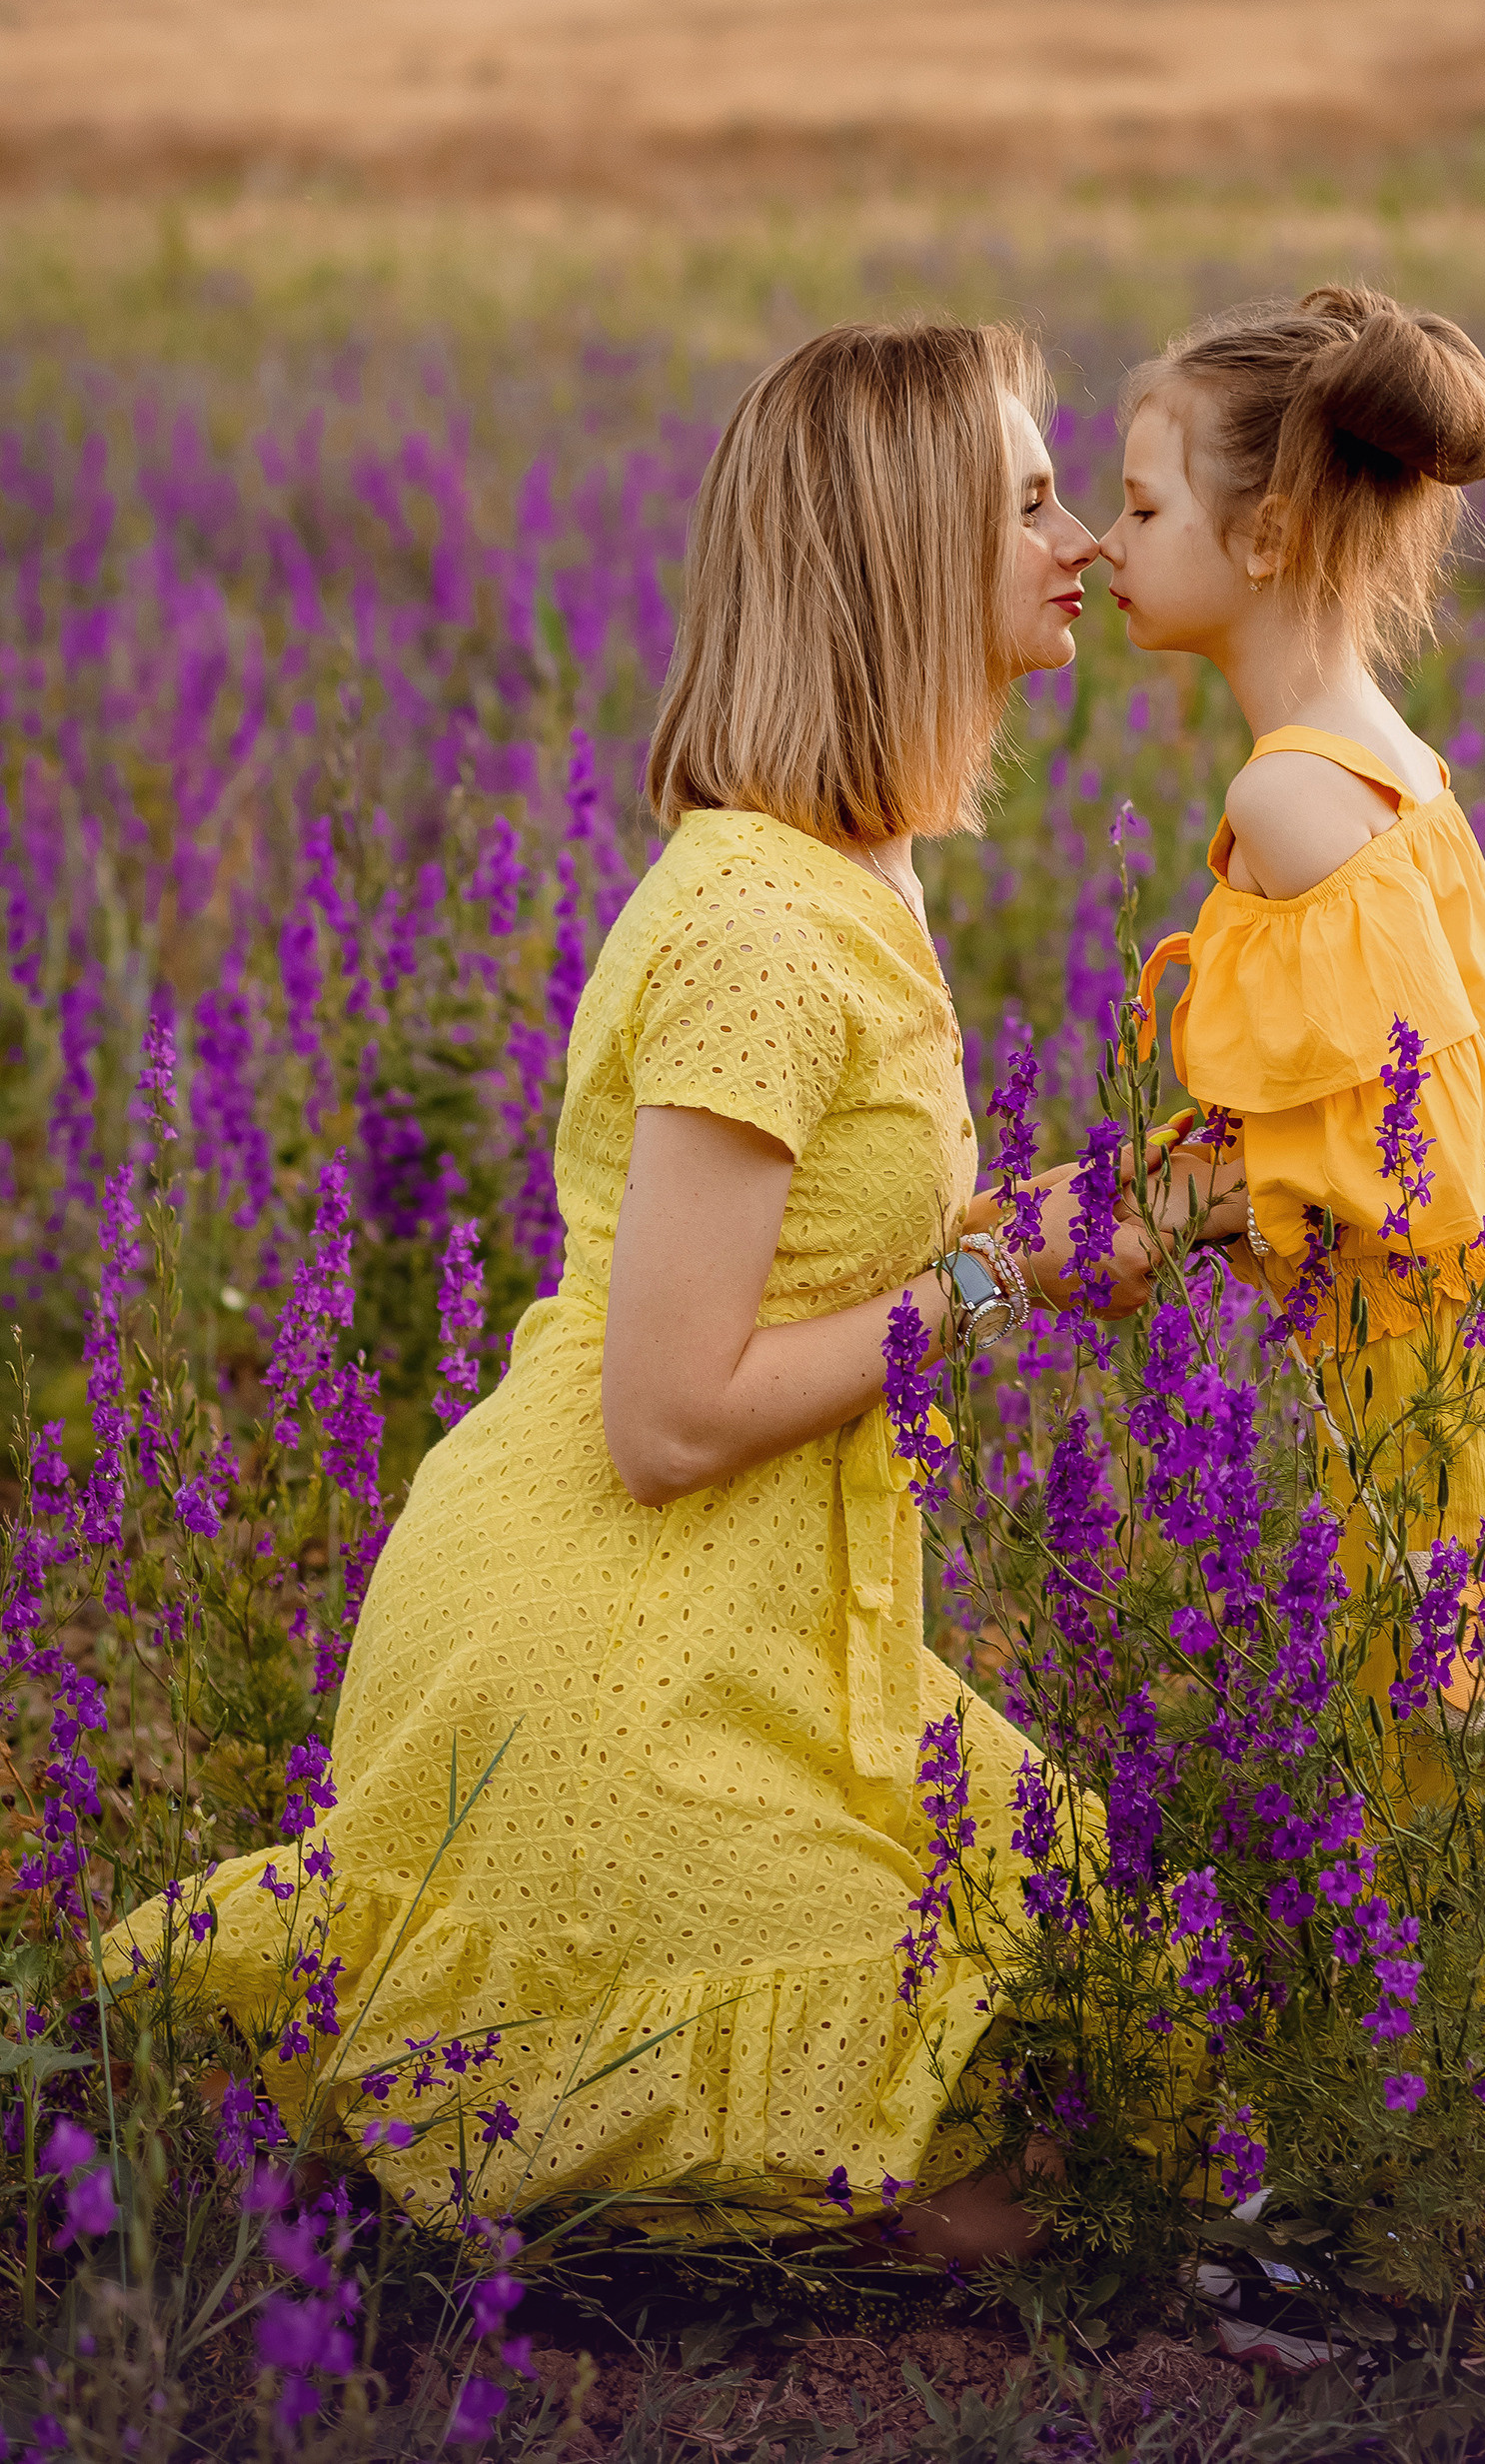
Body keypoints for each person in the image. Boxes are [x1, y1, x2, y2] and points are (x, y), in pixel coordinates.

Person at [117, 322, 1230, 2264]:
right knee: (962, 2187)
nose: (1077, 543)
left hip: (759, 1618)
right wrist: (991, 1277)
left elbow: (819, 1255)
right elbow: (668, 1416)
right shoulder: (755, 929)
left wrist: (1052, 1227)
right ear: (903, 555)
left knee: (1092, 2019)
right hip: (601, 1637)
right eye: (1031, 502)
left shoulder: (854, 866)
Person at [1094, 286, 1485, 1780]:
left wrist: (1155, 1210)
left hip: (1429, 1386)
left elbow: (1395, 1149)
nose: (1106, 545)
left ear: (1266, 537)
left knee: (1430, 1773)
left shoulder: (1289, 797)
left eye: (1141, 508)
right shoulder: (1391, 759)